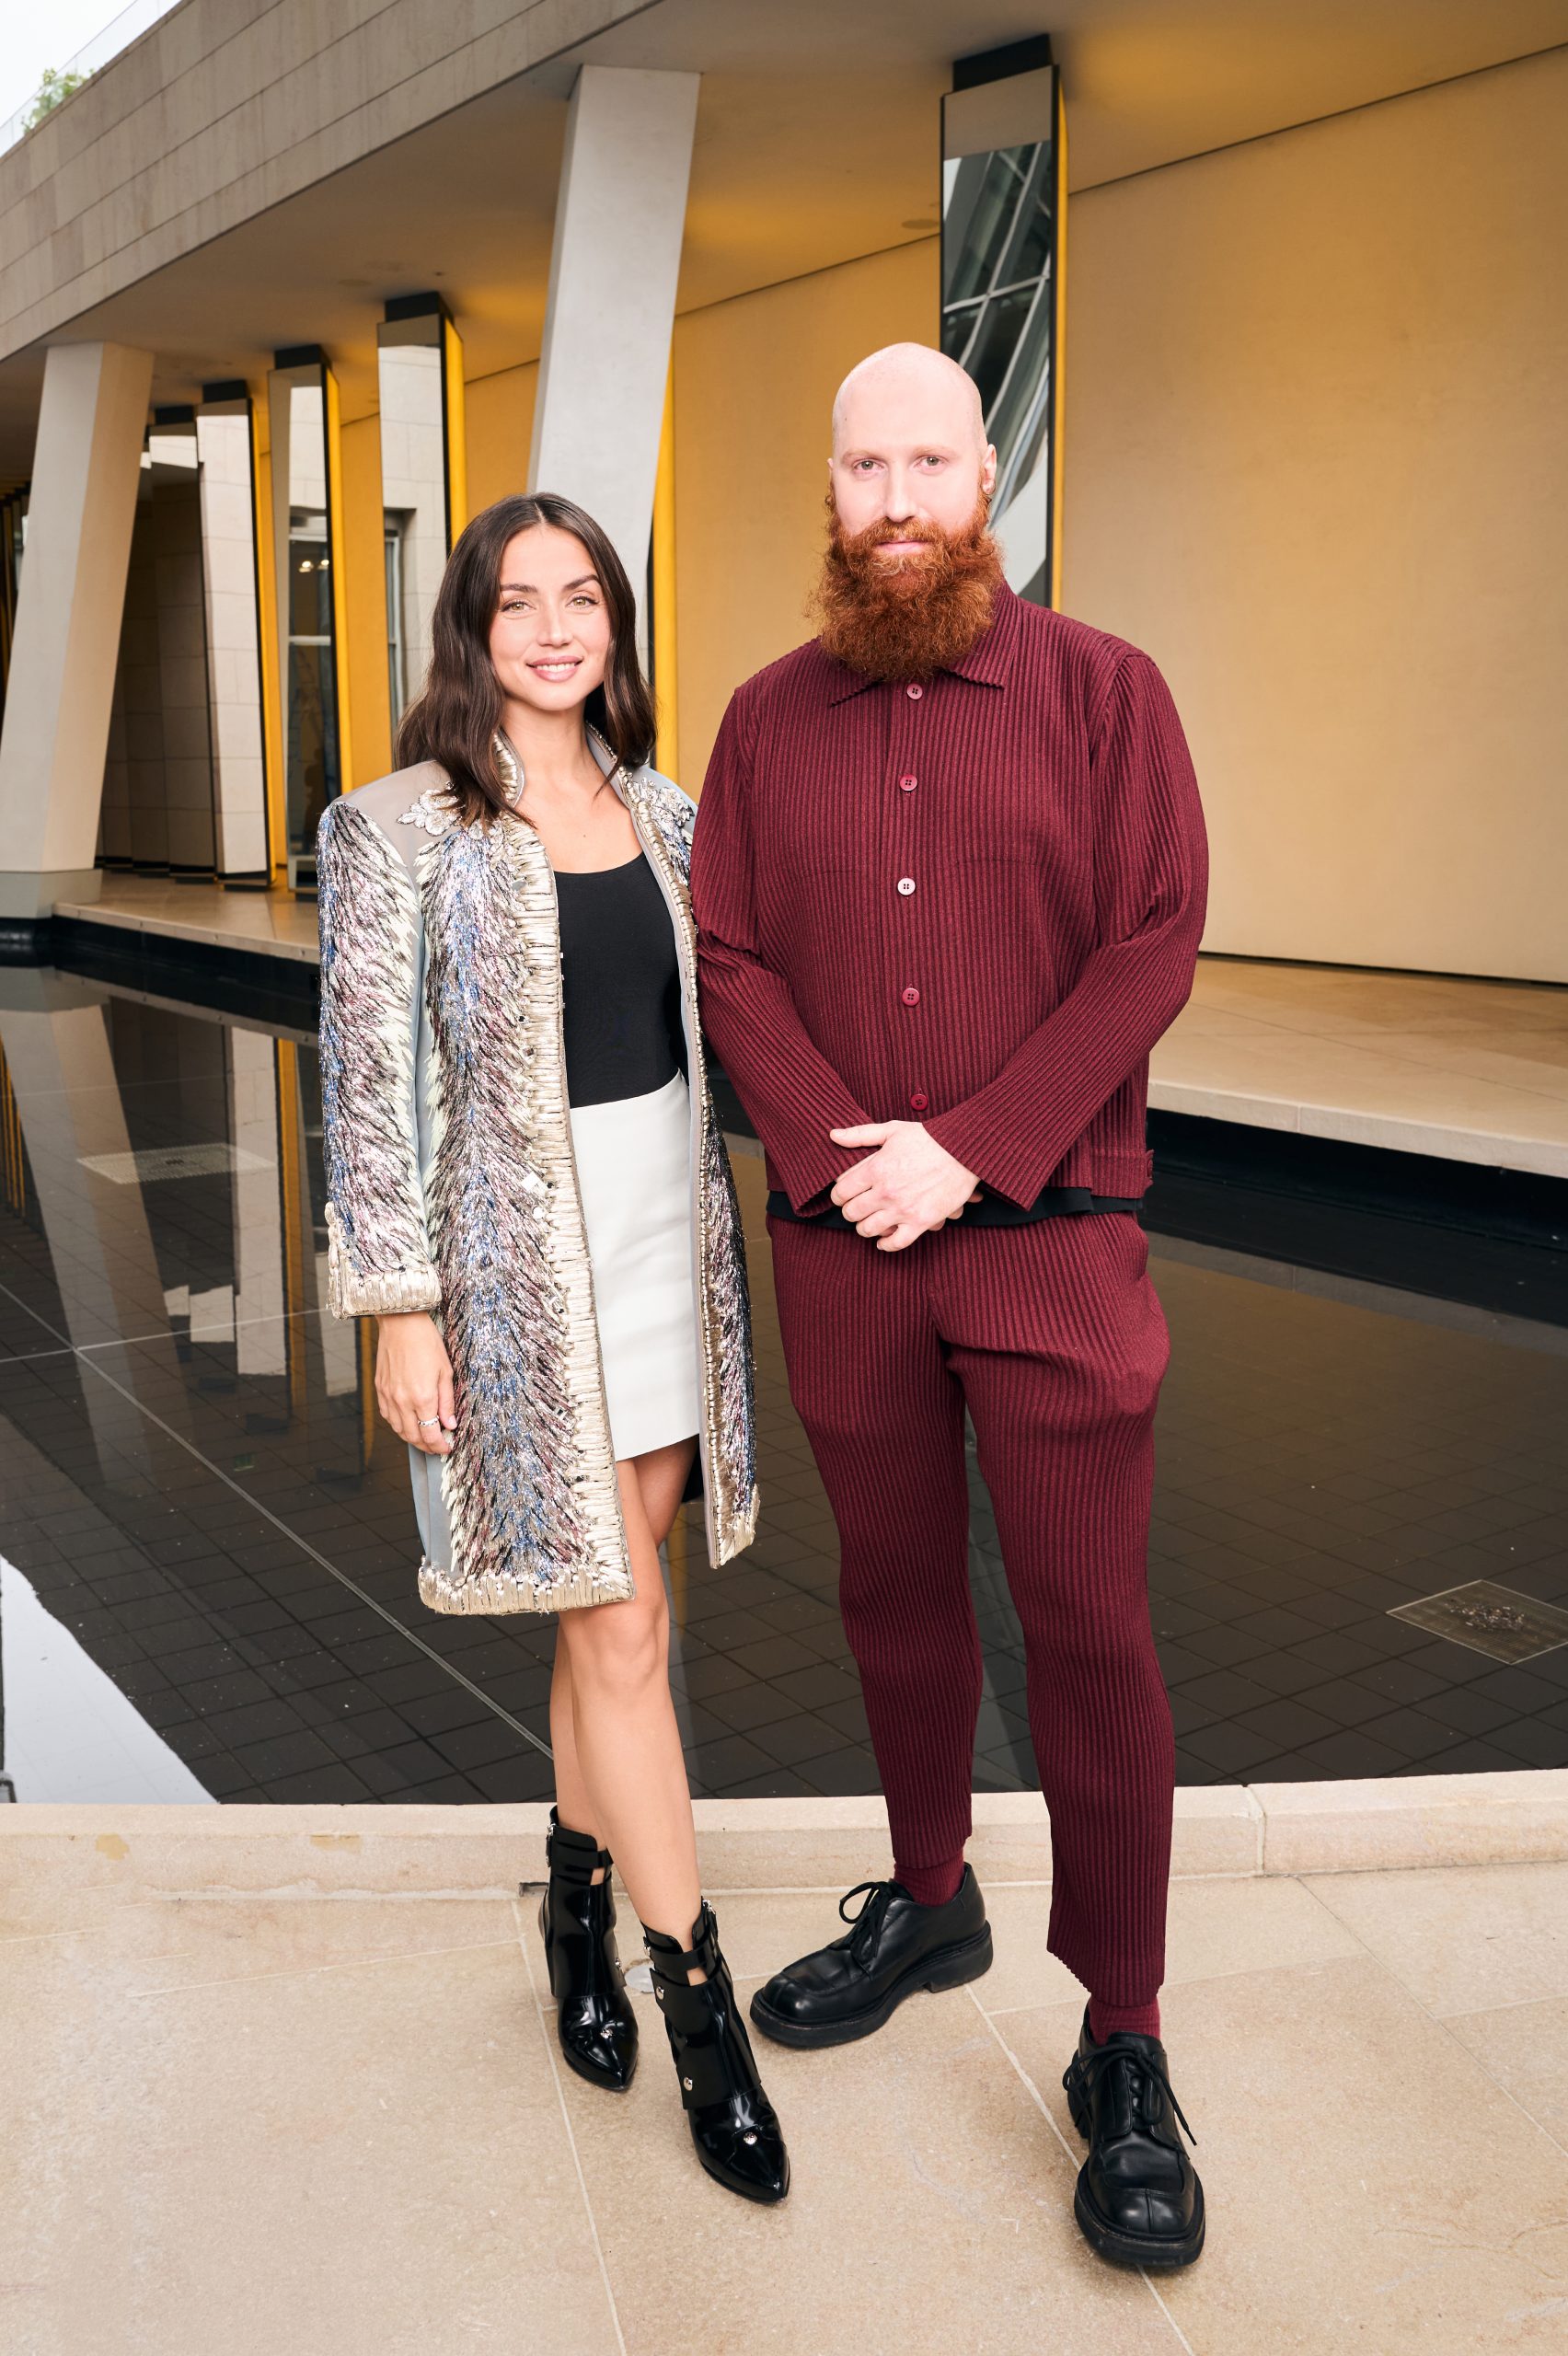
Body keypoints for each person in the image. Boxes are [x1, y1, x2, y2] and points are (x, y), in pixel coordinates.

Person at [690, 345, 1206, 2267]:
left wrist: (971, 1147)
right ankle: (931, 1893)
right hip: (846, 1250)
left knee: (1092, 1631)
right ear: (827, 492)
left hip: (1053, 1238)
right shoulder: (761, 723)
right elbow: (724, 947)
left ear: (985, 481)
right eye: (864, 463)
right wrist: (842, 1156)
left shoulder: (1106, 695)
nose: (896, 494)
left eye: (931, 458)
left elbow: (1156, 938)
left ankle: (1126, 2030)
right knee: (893, 1591)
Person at [316, 491, 789, 2206]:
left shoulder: (670, 813)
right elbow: (365, 1090)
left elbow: (708, 1032)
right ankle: (701, 2014)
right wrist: (399, 1306)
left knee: (616, 1613)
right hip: (519, 1281)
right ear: (473, 627)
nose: (554, 627)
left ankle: (571, 1900)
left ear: (614, 624)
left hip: (667, 1248)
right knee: (626, 1626)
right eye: (520, 601)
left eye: (581, 596)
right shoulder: (395, 830)